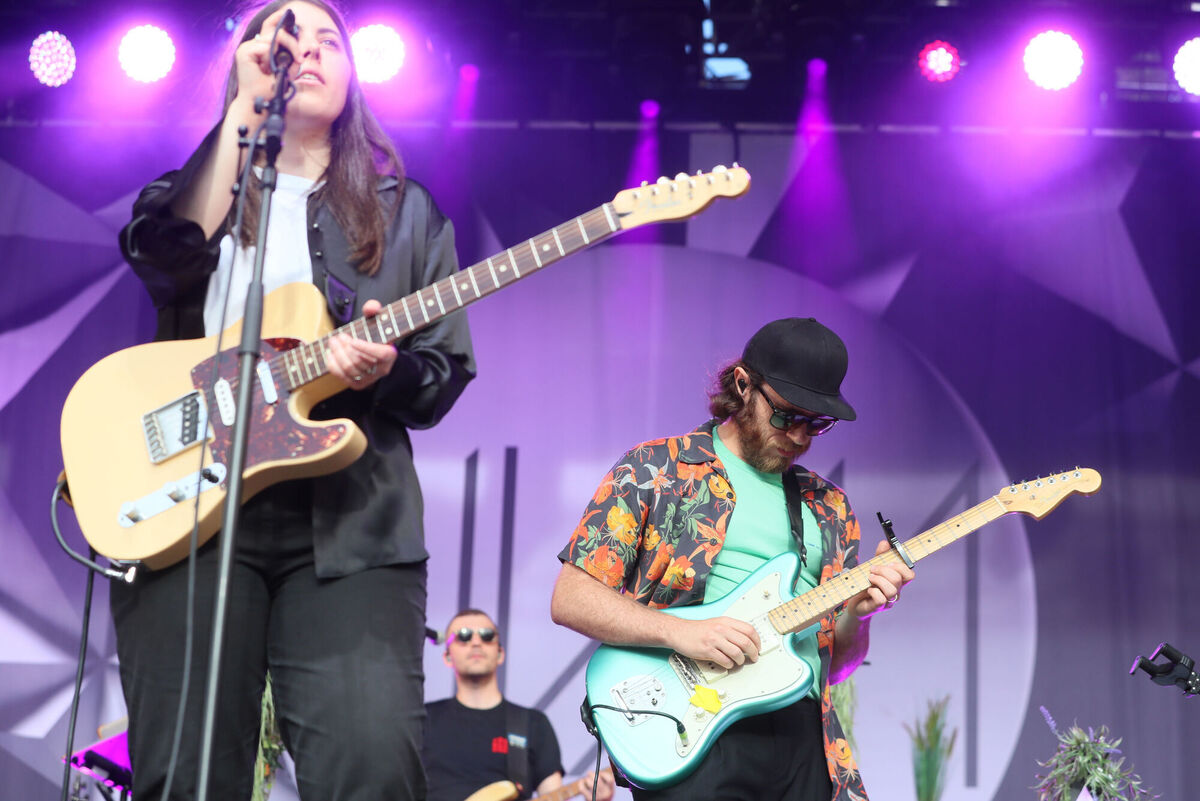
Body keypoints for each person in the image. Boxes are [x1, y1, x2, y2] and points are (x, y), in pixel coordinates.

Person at [109, 2, 475, 799]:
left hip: (351, 523)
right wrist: (244, 116)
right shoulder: (187, 193)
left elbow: (444, 370)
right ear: (245, 61)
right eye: (280, 36)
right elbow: (163, 258)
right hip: (191, 517)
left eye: (327, 40)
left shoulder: (405, 212)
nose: (305, 50)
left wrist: (384, 371)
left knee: (372, 767)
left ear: (353, 75)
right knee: (186, 775)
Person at [549, 318, 915, 800]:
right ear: (743, 385)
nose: (801, 437)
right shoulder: (656, 469)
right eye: (786, 417)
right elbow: (571, 599)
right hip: (695, 723)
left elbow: (838, 666)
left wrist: (859, 617)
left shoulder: (831, 507)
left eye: (817, 424)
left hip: (802, 736)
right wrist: (682, 632)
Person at [423, 609, 616, 801]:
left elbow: (551, 794)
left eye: (487, 636)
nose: (476, 642)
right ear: (447, 656)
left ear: (500, 654)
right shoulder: (422, 720)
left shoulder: (532, 723)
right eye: (463, 636)